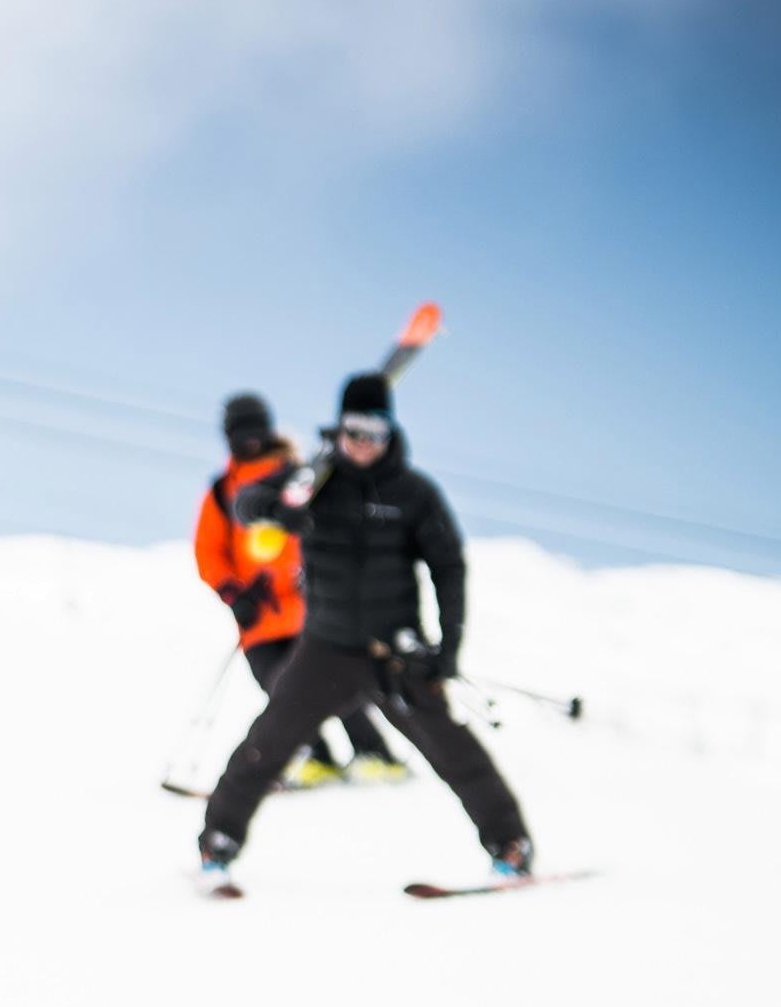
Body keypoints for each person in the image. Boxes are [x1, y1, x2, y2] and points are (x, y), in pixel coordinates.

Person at [197, 373, 532, 887]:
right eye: (354, 432)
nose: (363, 444)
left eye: (374, 433)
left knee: (453, 750)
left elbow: (448, 567)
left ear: (390, 433)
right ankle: (218, 844)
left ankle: (509, 845)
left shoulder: (414, 493)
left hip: (394, 651)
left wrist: (449, 647)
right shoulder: (313, 482)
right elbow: (245, 506)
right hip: (324, 647)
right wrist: (279, 506)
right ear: (339, 430)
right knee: (266, 744)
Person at [195, 392, 399, 788]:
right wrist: (234, 594)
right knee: (281, 692)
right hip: (259, 620)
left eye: (256, 430)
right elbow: (209, 551)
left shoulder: (300, 475)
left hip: (310, 610)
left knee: (333, 682)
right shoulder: (221, 492)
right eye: (241, 432)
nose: (250, 440)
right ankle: (315, 757)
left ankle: (375, 753)